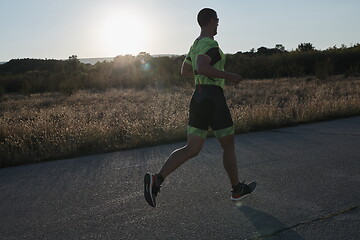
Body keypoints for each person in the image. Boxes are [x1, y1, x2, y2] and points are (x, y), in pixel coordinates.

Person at [144, 8, 256, 207]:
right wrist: (228, 76)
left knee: (191, 148)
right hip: (213, 98)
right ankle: (237, 190)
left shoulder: (195, 44)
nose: (218, 24)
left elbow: (186, 70)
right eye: (217, 21)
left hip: (198, 96)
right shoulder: (211, 44)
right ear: (212, 21)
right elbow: (202, 67)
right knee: (228, 147)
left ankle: (157, 179)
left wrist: (203, 75)